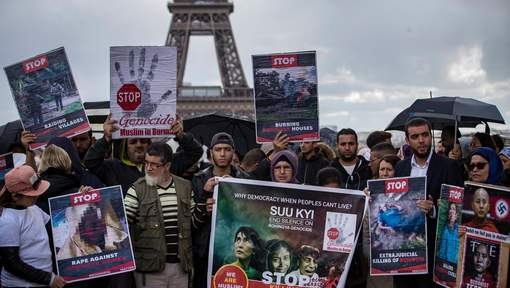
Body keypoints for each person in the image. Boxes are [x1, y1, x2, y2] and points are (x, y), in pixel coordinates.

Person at [394, 118, 463, 288]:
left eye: (425, 135)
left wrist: (433, 210)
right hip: (405, 251)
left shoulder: (449, 166)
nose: (421, 140)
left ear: (431, 136)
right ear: (407, 140)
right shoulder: (401, 167)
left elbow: (458, 210)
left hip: (434, 253)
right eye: (415, 136)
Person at [124, 142, 193, 288]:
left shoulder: (185, 186)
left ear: (167, 166)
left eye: (155, 165)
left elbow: (194, 223)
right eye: (147, 163)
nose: (148, 168)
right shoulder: (137, 188)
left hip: (181, 268)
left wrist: (207, 202)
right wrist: (94, 200)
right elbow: (121, 222)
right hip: (150, 269)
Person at [84, 114, 202, 194]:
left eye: (144, 141)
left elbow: (195, 152)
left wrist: (181, 136)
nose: (139, 145)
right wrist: (106, 139)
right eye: (133, 142)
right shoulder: (113, 168)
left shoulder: (166, 164)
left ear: (150, 144)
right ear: (125, 146)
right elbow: (90, 162)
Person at [191, 132, 249, 287]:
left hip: (233, 249)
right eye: (218, 149)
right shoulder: (198, 180)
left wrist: (238, 190)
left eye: (227, 149)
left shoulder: (245, 180)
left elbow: (251, 217)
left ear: (233, 152)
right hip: (204, 251)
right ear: (211, 152)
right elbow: (190, 222)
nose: (222, 154)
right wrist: (204, 202)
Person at [0, 165, 66, 288]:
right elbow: (11, 263)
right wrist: (48, 279)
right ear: (15, 196)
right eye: (31, 194)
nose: (37, 196)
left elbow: (58, 226)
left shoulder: (33, 208)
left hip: (41, 281)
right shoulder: (8, 220)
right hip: (20, 285)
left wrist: (78, 199)